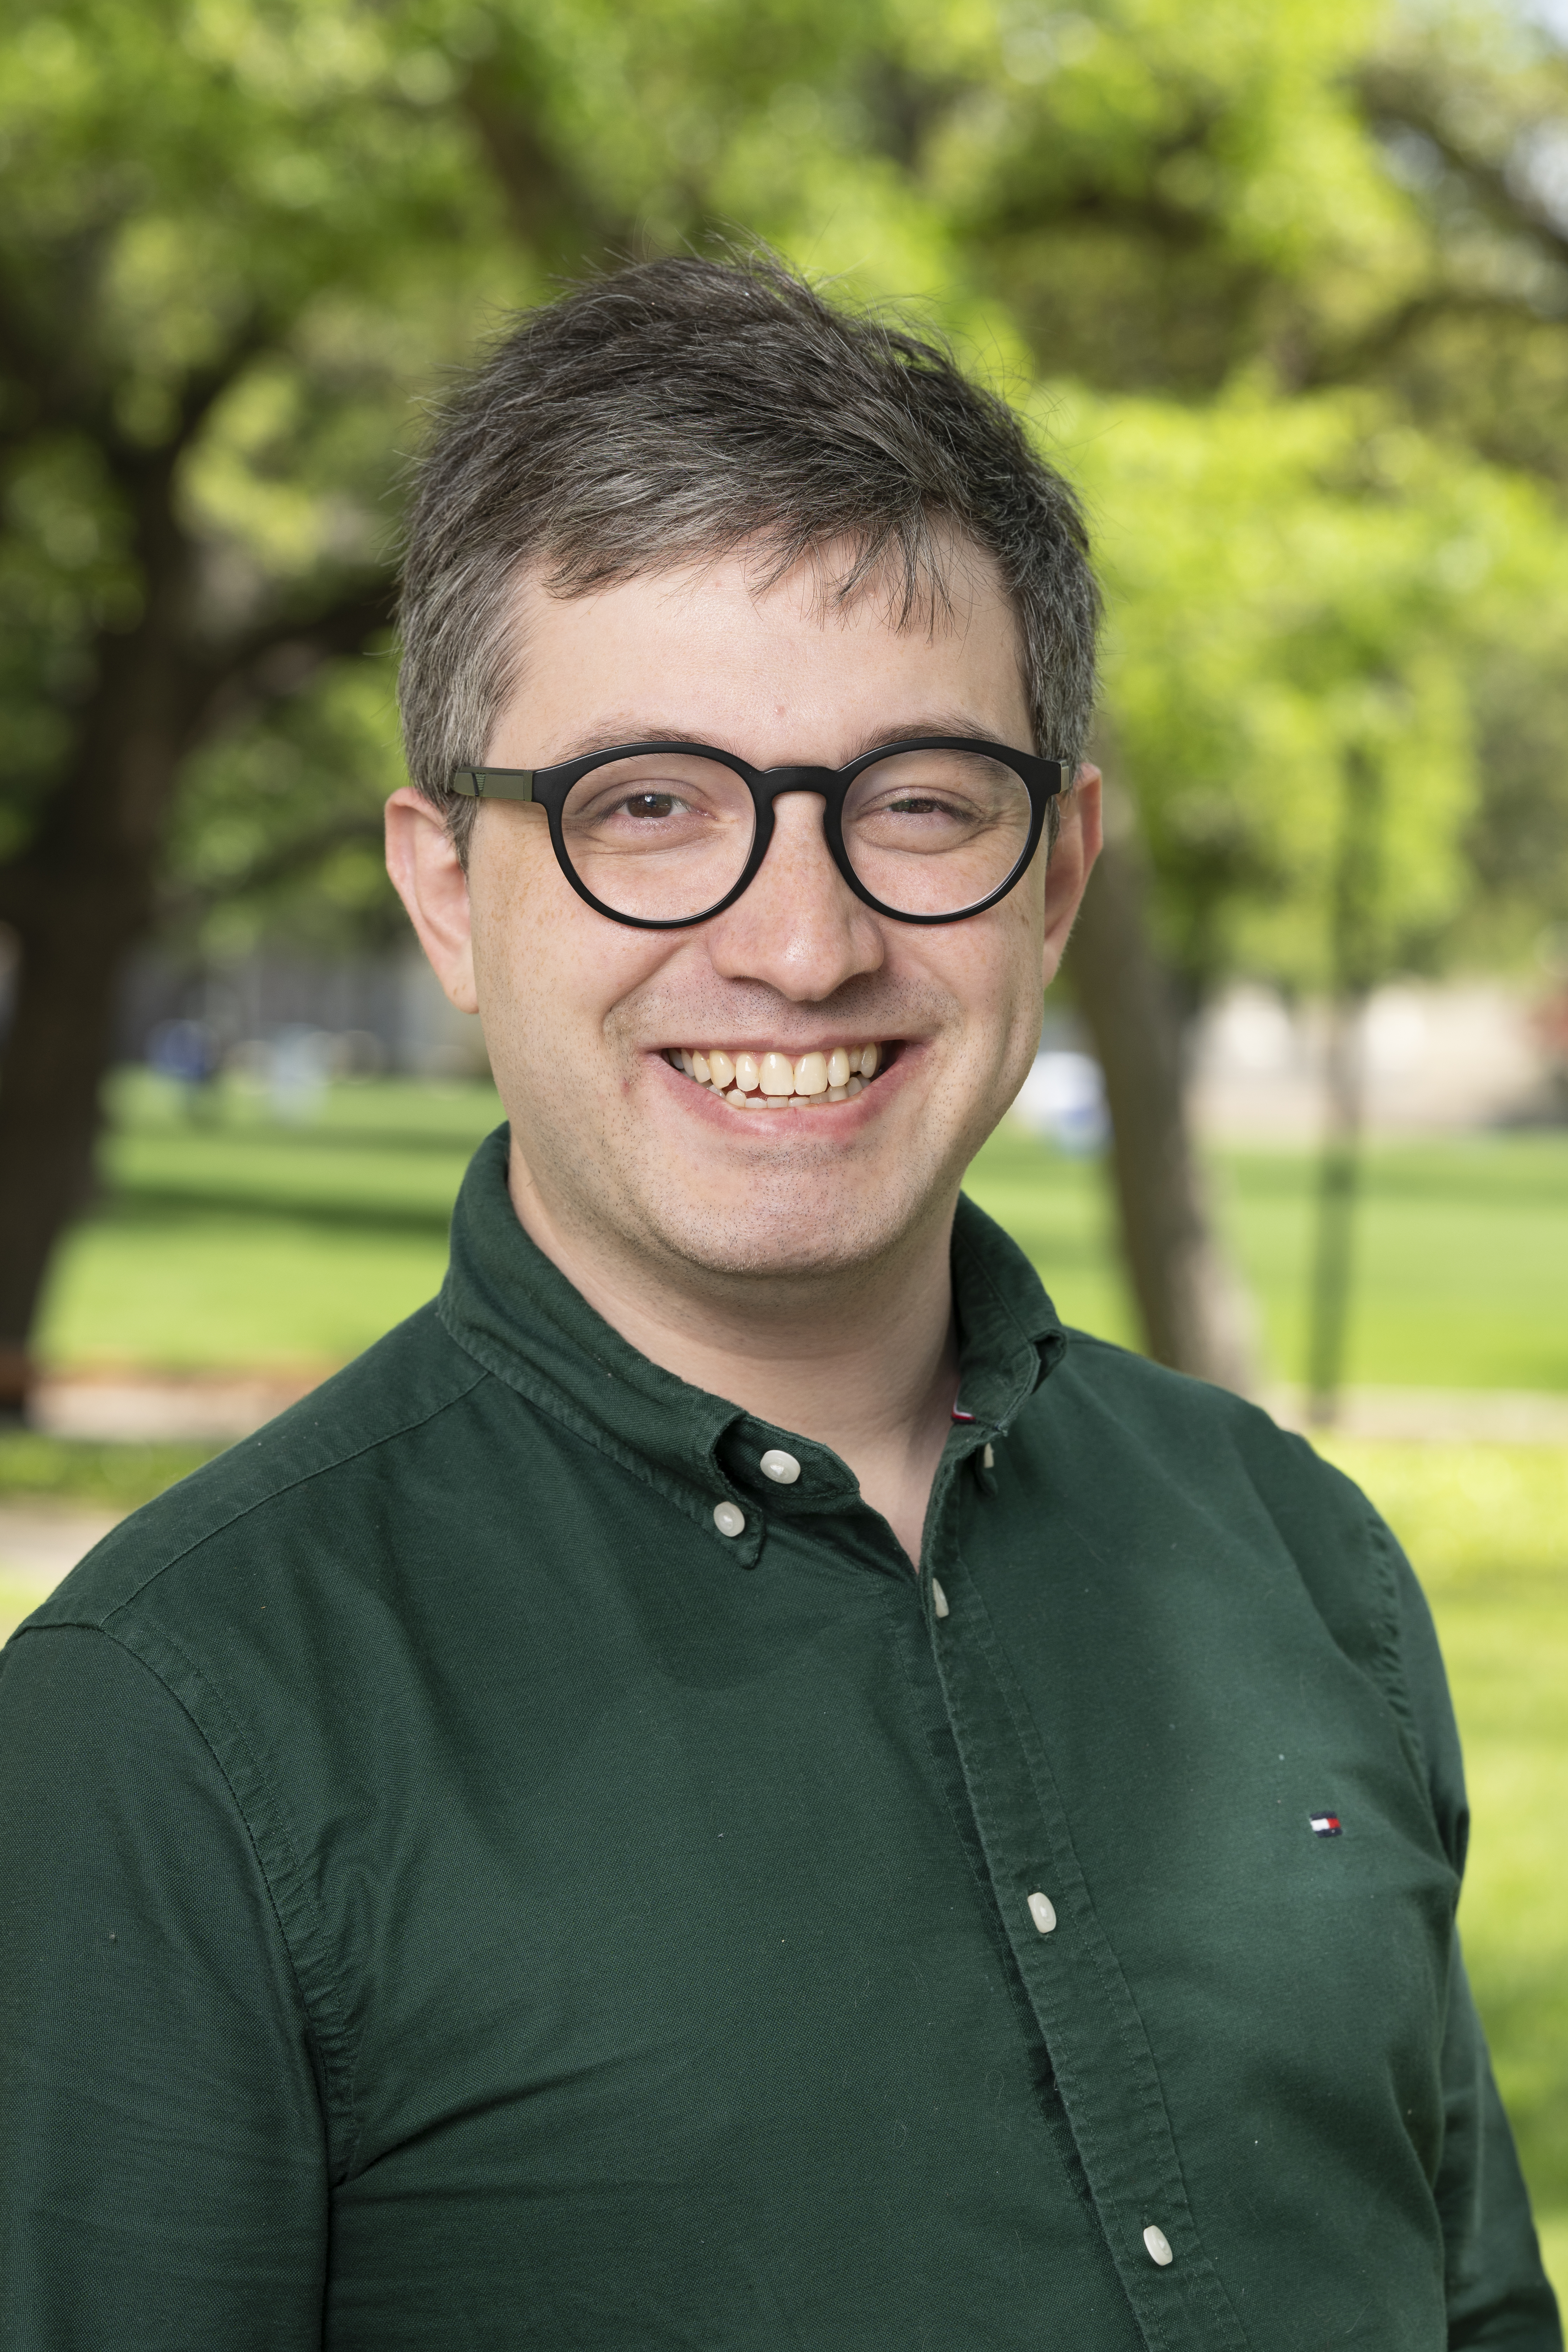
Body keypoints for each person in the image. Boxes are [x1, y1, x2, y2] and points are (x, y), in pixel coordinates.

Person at [0, 255, 1557, 2352]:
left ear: (1056, 871)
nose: (801, 945)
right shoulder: (171, 1724)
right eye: (650, 807)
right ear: (447, 890)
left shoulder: (1299, 1557)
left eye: (916, 802)